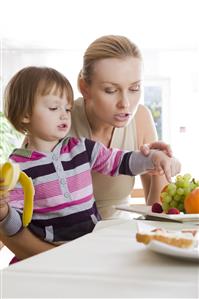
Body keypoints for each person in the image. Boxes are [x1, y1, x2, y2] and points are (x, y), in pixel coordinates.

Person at [0, 66, 180, 255]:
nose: (63, 114)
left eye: (67, 109)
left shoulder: (81, 148)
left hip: (93, 245)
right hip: (50, 255)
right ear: (25, 115)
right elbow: (17, 228)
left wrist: (153, 158)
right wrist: (4, 213)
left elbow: (121, 161)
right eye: (54, 108)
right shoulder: (17, 170)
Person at [69, 34, 171, 219]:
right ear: (84, 88)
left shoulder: (140, 117)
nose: (125, 103)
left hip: (120, 235)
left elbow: (157, 213)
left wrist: (159, 167)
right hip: (65, 240)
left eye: (134, 89)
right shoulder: (60, 117)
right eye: (111, 90)